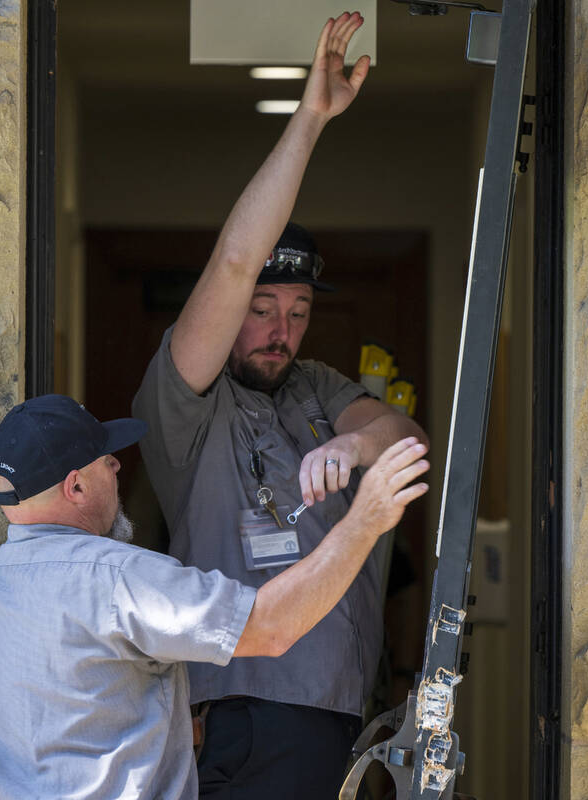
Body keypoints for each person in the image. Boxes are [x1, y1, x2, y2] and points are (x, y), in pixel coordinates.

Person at [130, 11, 431, 798]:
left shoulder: (317, 386)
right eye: (263, 309)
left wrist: (355, 448)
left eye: (297, 313)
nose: (279, 332)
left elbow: (400, 434)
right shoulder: (187, 400)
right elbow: (233, 263)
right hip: (249, 707)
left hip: (336, 709)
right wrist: (311, 120)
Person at [0, 394, 428, 799]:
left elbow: (69, 718)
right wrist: (365, 520)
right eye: (105, 458)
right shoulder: (117, 578)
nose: (118, 463)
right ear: (75, 485)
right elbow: (269, 626)